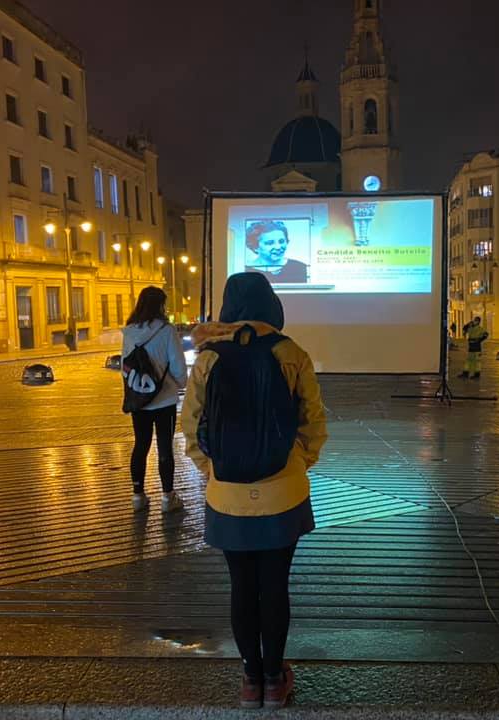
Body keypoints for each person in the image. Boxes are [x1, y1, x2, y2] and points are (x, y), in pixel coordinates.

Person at [182, 272, 326, 710]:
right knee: (275, 584)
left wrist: (215, 470)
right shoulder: (290, 352)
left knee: (241, 585)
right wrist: (297, 462)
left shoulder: (208, 359)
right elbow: (314, 423)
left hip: (227, 496)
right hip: (284, 492)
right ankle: (274, 678)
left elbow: (190, 427)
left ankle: (250, 680)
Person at [121, 286, 188, 513]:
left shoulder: (129, 331)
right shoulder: (167, 331)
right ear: (161, 305)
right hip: (164, 400)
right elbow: (178, 365)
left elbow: (125, 366)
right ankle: (168, 497)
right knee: (165, 447)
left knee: (140, 445)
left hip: (139, 400)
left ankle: (138, 496)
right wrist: (179, 384)